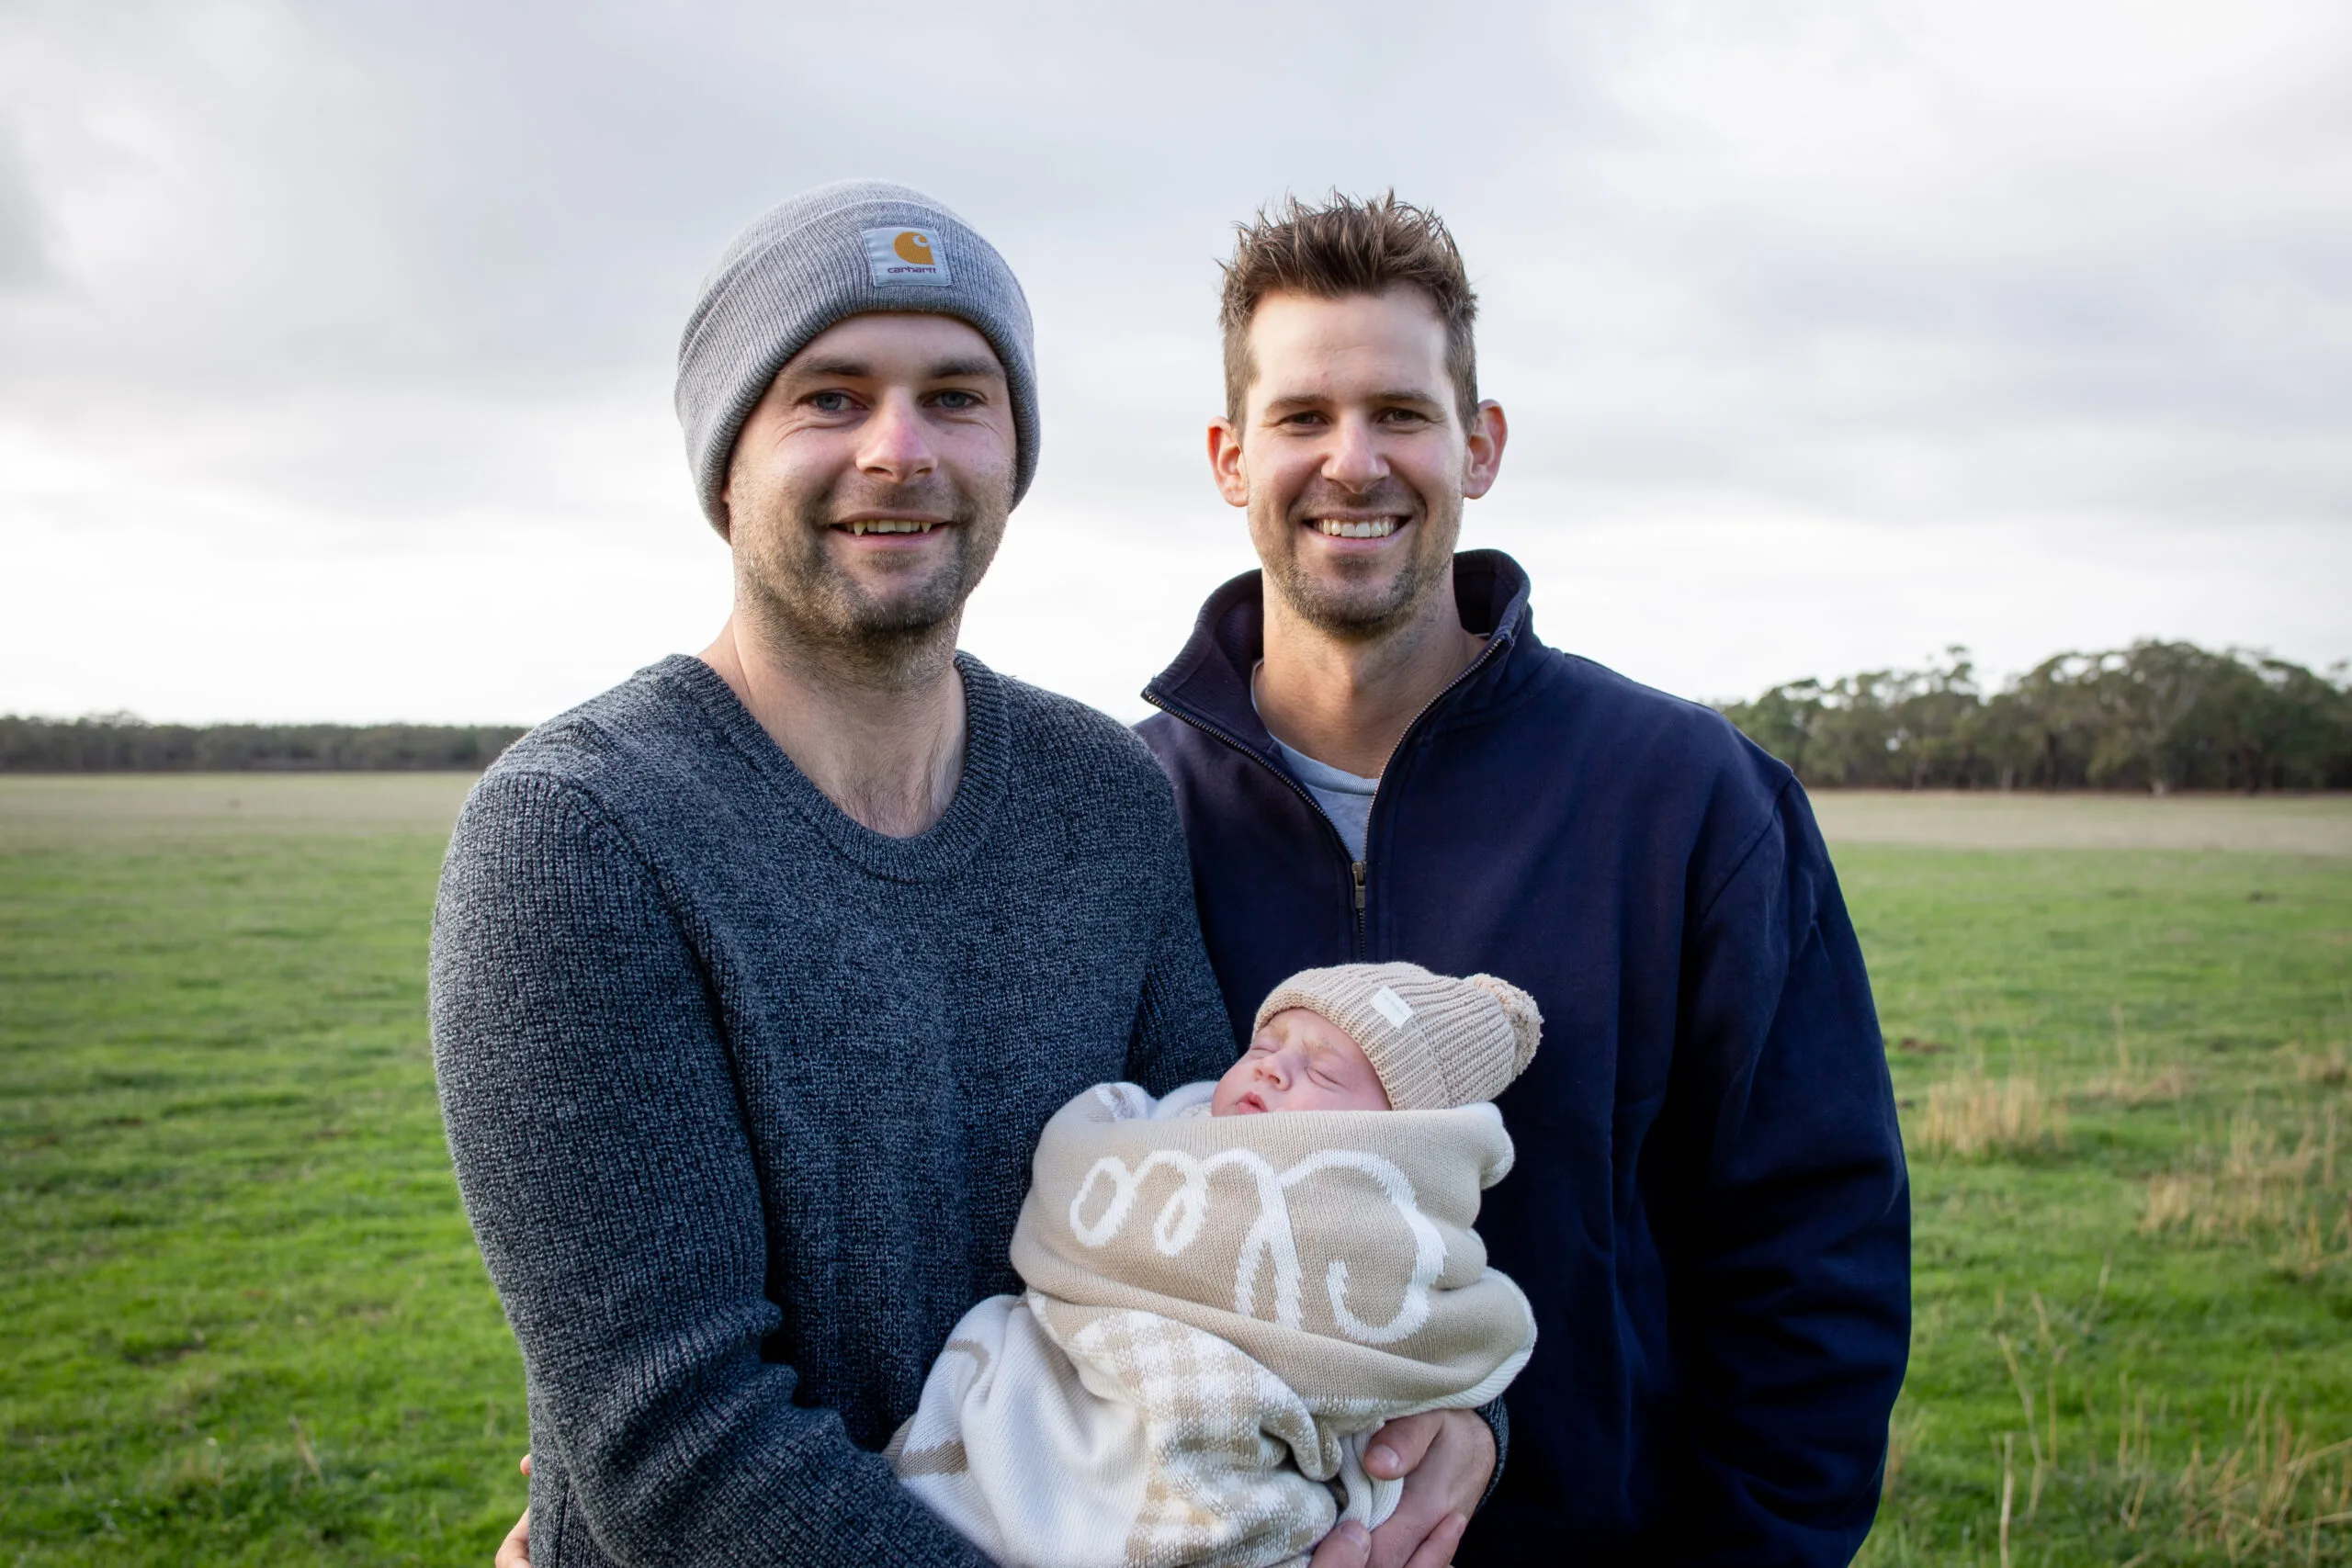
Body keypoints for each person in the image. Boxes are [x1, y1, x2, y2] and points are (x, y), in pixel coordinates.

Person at [436, 182, 1487, 1568]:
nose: (899, 448)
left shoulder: (1101, 793)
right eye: (829, 396)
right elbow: (678, 1443)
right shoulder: (576, 834)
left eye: (955, 394)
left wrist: (1450, 1411)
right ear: (725, 458)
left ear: (1012, 452)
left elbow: (1233, 1196)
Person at [1136, 194, 1912, 1565]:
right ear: (1229, 456)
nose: (1353, 461)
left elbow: (1814, 1257)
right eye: (1304, 418)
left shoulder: (1691, 799)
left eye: (1402, 412)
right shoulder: (1117, 816)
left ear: (1479, 445)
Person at [892, 964, 1543, 1568]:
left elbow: (1419, 1338)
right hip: (1076, 1385)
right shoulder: (1161, 1136)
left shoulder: (1387, 1236)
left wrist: (1471, 1423)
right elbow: (1080, 1175)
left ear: (1397, 1142)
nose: (1272, 1069)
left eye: (1325, 1073)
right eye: (1262, 1047)